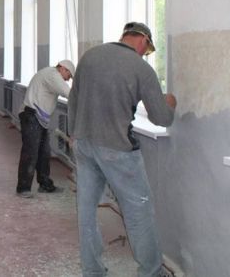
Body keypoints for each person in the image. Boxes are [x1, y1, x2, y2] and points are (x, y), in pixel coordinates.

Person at [68, 22, 177, 277]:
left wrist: (74, 135)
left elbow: (74, 99)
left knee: (86, 211)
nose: (145, 54)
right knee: (139, 212)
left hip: (84, 144)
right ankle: (152, 272)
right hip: (117, 148)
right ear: (143, 40)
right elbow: (161, 117)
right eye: (147, 49)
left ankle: (92, 271)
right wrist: (170, 103)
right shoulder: (141, 68)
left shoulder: (89, 57)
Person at [16, 59, 75, 198]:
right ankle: (23, 188)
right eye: (68, 76)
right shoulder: (52, 74)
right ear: (63, 69)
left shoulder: (49, 74)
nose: (67, 79)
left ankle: (45, 184)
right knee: (30, 152)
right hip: (31, 116)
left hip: (38, 119)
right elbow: (69, 94)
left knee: (44, 153)